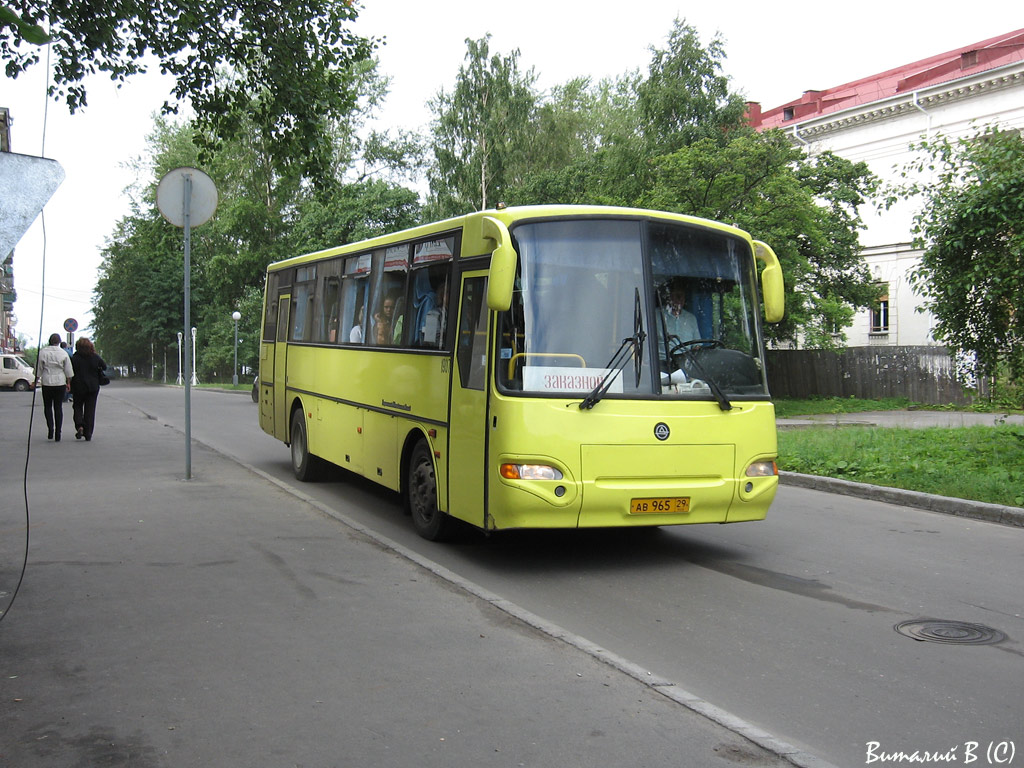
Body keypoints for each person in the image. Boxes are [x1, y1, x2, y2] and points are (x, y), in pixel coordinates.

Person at [38, 333, 74, 441]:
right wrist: (68, 383)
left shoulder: (43, 352)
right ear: (59, 342)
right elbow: (68, 370)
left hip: (47, 381)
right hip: (60, 382)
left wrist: (36, 379)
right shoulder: (63, 353)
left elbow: (39, 368)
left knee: (48, 407)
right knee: (58, 407)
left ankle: (50, 429)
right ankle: (58, 432)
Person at [70, 337, 107, 441]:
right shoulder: (95, 357)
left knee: (77, 406)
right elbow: (104, 366)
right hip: (93, 387)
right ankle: (88, 433)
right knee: (90, 410)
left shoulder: (74, 358)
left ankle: (80, 426)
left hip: (78, 387)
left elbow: (69, 371)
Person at [661, 278, 700, 343]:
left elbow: (697, 345)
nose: (680, 299)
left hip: (686, 353)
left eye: (682, 296)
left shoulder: (691, 318)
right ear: (669, 297)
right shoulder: (656, 316)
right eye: (677, 296)